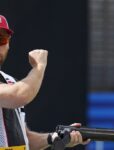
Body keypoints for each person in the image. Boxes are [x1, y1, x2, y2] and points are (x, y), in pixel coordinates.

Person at [0, 15, 90, 150]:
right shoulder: (15, 89)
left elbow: (27, 139)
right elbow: (20, 95)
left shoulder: (10, 81)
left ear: (8, 43)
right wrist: (39, 67)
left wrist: (55, 137)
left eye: (1, 39)